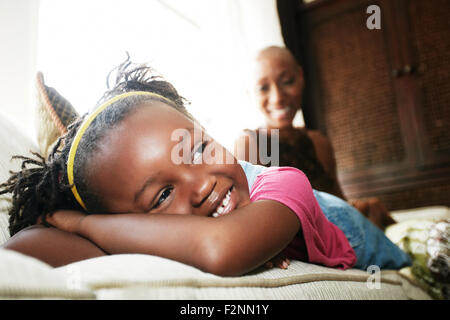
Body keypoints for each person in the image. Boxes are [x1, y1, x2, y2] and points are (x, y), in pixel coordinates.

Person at [0, 58, 410, 276]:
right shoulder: (138, 230)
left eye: (196, 150)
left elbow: (220, 248)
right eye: (162, 196)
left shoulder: (286, 183)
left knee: (398, 245)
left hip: (343, 227)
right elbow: (21, 252)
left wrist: (82, 225)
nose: (201, 185)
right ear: (129, 221)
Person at [234, 46, 396, 230]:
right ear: (249, 93)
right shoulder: (252, 144)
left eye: (287, 81)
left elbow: (337, 202)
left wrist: (359, 209)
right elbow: (254, 224)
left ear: (301, 77)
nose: (277, 97)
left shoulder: (318, 142)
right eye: (263, 88)